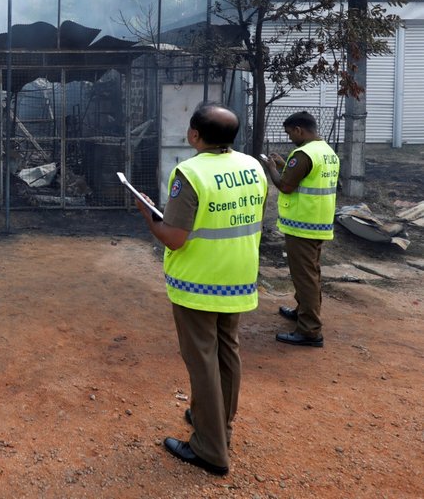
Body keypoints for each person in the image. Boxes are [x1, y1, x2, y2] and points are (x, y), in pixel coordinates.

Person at [133, 102, 266, 477]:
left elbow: (174, 239)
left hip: (199, 282)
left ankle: (210, 449)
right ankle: (219, 421)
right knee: (227, 352)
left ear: (194, 135)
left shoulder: (189, 173)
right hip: (238, 276)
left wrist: (149, 215)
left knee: (202, 360)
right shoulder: (252, 167)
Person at [262, 111, 339, 348]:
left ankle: (309, 330)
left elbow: (285, 186)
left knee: (305, 277)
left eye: (289, 133)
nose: (289, 138)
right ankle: (303, 311)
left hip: (302, 226)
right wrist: (286, 164)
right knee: (311, 273)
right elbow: (309, 178)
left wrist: (271, 167)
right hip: (318, 223)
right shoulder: (327, 152)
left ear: (299, 130)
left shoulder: (303, 154)